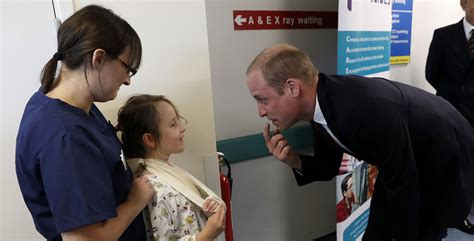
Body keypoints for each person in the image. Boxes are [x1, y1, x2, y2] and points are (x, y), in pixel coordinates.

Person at [245, 43, 474, 241]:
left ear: (293, 87)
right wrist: (294, 161)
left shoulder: (361, 107)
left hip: (444, 152)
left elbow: (402, 183)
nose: (260, 112)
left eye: (263, 100)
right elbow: (329, 166)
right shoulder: (321, 103)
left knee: (422, 228)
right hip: (406, 163)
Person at [15, 5, 154, 241]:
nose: (128, 80)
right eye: (127, 68)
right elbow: (83, 239)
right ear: (98, 58)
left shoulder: (73, 105)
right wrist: (135, 201)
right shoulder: (64, 135)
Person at [116, 94, 226, 241]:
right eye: (173, 124)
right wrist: (206, 236)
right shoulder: (156, 190)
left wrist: (209, 204)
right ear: (149, 139)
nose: (182, 128)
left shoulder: (168, 171)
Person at [426, 0, 474, 234]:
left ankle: (466, 206)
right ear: (463, 3)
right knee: (449, 165)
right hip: (448, 112)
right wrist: (453, 96)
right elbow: (431, 73)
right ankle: (453, 215)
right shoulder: (443, 35)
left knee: (470, 166)